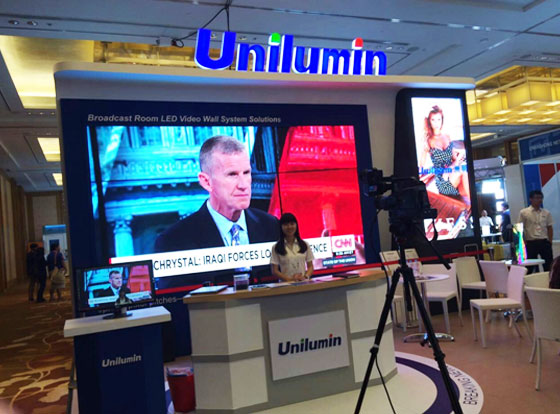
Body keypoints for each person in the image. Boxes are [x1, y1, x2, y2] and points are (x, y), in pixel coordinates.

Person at [154, 135, 280, 252]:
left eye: (246, 173)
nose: (243, 185)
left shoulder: (272, 226)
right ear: (206, 182)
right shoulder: (173, 241)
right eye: (232, 174)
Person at [418, 105, 470, 204]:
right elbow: (421, 166)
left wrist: (458, 158)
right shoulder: (428, 141)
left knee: (464, 168)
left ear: (442, 120)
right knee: (462, 170)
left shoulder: (447, 136)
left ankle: (473, 206)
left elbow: (454, 158)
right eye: (433, 120)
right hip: (442, 179)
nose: (436, 123)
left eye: (439, 119)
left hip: (452, 173)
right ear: (429, 121)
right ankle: (473, 206)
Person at [270, 213, 314, 282]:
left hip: (303, 283)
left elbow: (310, 266)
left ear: (296, 225)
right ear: (281, 227)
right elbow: (274, 271)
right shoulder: (276, 247)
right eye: (286, 224)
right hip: (285, 285)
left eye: (292, 224)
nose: (289, 227)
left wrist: (305, 277)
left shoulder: (304, 244)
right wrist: (289, 279)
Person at [518, 190, 554, 273]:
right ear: (531, 199)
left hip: (544, 242)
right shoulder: (524, 212)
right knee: (530, 267)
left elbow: (550, 227)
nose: (539, 200)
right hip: (531, 243)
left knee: (549, 265)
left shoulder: (546, 213)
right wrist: (523, 243)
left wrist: (550, 242)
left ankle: (549, 280)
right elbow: (519, 228)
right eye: (537, 198)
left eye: (541, 198)